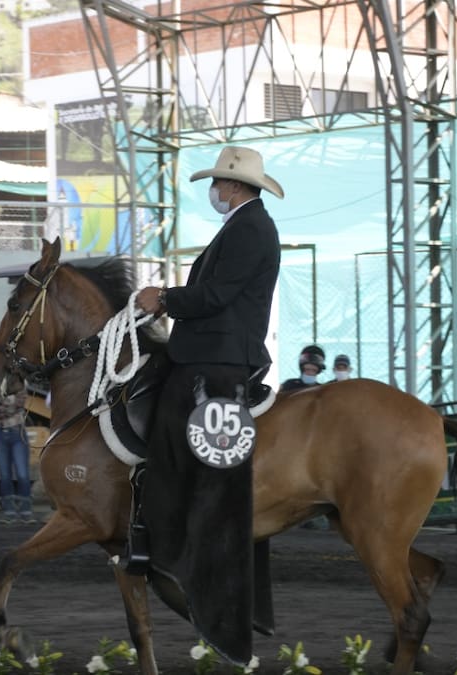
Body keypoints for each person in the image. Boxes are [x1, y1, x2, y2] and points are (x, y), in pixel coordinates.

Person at [133, 145, 283, 665]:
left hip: (220, 357)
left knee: (173, 419)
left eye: (217, 185)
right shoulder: (245, 224)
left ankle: (168, 537)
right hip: (211, 349)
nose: (213, 193)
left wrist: (164, 299)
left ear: (235, 187)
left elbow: (216, 295)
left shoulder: (249, 228)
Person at [0, 390, 33, 524]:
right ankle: (13, 512)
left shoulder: (19, 386)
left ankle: (23, 511)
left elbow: (16, 406)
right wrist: (7, 408)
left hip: (13, 432)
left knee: (22, 474)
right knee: (5, 475)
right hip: (4, 433)